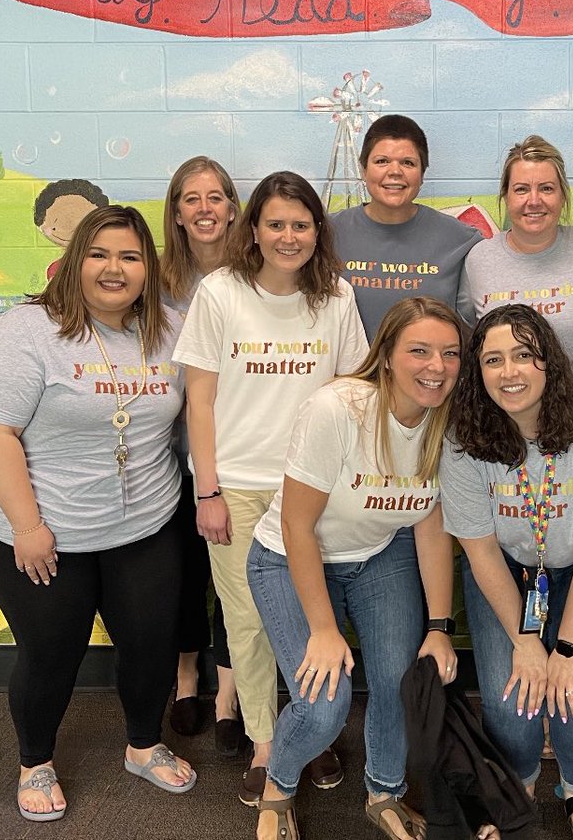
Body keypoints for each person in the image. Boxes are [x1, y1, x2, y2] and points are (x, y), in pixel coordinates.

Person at [0, 205, 195, 823]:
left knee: (151, 646)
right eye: (99, 255)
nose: (114, 269)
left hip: (144, 523)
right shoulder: (29, 330)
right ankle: (34, 761)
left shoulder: (170, 331)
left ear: (149, 268)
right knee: (51, 653)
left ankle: (143, 746)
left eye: (130, 256)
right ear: (74, 263)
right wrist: (27, 527)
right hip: (42, 529)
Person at [172, 171, 368, 806]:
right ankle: (264, 740)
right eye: (276, 224)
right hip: (238, 489)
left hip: (311, 492)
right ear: (252, 229)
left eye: (301, 225)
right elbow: (198, 400)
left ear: (318, 231)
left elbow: (350, 394)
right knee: (248, 621)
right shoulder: (220, 294)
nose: (289, 236)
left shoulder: (335, 298)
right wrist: (208, 491)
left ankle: (310, 731)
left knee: (314, 620)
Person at [247, 297, 465, 840]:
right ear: (386, 355)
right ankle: (278, 785)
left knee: (398, 682)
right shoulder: (339, 409)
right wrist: (324, 629)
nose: (436, 367)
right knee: (324, 707)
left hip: (378, 557)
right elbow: (298, 527)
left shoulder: (449, 422)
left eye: (450, 354)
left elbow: (431, 526)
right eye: (419, 351)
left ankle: (383, 791)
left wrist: (439, 629)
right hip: (288, 556)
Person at [441, 304, 573, 840]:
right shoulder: (463, 440)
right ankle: (519, 787)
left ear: (549, 361)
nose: (510, 372)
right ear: (477, 373)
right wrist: (526, 642)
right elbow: (480, 553)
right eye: (494, 360)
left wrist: (567, 651)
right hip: (508, 567)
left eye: (524, 355)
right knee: (512, 709)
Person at [159, 156, 244, 754]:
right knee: (186, 575)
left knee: (236, 579)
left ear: (234, 208)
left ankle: (230, 693)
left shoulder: (255, 274)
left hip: (234, 453)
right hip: (165, 454)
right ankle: (187, 673)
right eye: (192, 198)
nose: (205, 207)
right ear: (177, 212)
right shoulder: (156, 281)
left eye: (216, 197)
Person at [460, 136, 573, 396]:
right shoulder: (479, 259)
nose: (534, 201)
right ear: (506, 196)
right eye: (522, 189)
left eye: (546, 188)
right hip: (506, 423)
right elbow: (469, 335)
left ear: (562, 195)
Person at [333, 113, 481, 340]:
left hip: (430, 374)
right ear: (363, 170)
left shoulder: (462, 241)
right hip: (350, 374)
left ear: (422, 174)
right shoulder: (327, 233)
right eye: (382, 161)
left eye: (408, 163)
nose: (395, 171)